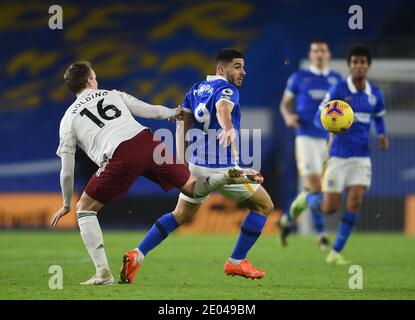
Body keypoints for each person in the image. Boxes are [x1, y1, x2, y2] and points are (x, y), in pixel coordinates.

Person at [50, 61, 262, 285]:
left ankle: (103, 273)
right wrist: (173, 112)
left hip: (120, 155)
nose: (97, 80)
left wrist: (66, 204)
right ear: (89, 80)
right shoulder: (112, 94)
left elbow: (67, 170)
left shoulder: (67, 120)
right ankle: (226, 175)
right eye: (95, 76)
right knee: (192, 186)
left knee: (84, 209)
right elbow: (148, 110)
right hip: (148, 141)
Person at [120, 49, 274, 283]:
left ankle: (137, 254)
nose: (243, 72)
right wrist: (228, 127)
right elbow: (224, 108)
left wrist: (180, 162)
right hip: (221, 167)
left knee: (180, 214)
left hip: (196, 166)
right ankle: (236, 262)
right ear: (222, 69)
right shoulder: (227, 89)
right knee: (264, 205)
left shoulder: (196, 89)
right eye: (237, 66)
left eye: (243, 66)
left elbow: (182, 123)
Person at [289, 44, 389, 265]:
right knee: (330, 207)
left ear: (368, 66)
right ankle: (308, 199)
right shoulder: (338, 91)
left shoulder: (375, 95)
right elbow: (318, 117)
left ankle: (335, 252)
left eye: (363, 62)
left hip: (361, 157)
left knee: (355, 200)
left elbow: (379, 118)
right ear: (350, 66)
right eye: (355, 62)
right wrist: (329, 125)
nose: (359, 66)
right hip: (337, 156)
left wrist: (382, 134)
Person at [278, 40, 343, 249]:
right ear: (310, 54)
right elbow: (285, 103)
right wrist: (288, 117)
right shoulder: (300, 77)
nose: (319, 54)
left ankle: (286, 220)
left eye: (322, 50)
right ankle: (321, 235)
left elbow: (343, 107)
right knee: (316, 188)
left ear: (328, 54)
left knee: (312, 190)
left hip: (328, 139)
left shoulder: (337, 80)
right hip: (305, 137)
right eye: (315, 50)